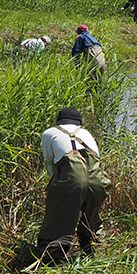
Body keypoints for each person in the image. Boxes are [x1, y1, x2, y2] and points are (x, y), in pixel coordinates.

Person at [33, 107, 109, 264]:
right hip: (98, 182)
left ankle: (53, 260)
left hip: (73, 179)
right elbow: (97, 162)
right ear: (79, 125)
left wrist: (57, 189)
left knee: (59, 220)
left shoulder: (49, 133)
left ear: (58, 122)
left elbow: (49, 164)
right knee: (91, 220)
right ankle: (92, 254)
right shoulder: (86, 133)